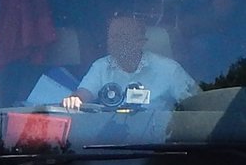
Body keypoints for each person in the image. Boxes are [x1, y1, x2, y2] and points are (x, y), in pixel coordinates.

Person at [61, 12, 198, 111]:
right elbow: (83, 94)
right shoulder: (101, 66)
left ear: (140, 42)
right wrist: (76, 99)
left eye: (123, 36)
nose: (115, 42)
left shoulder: (169, 70)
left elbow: (198, 104)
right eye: (112, 37)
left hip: (159, 138)